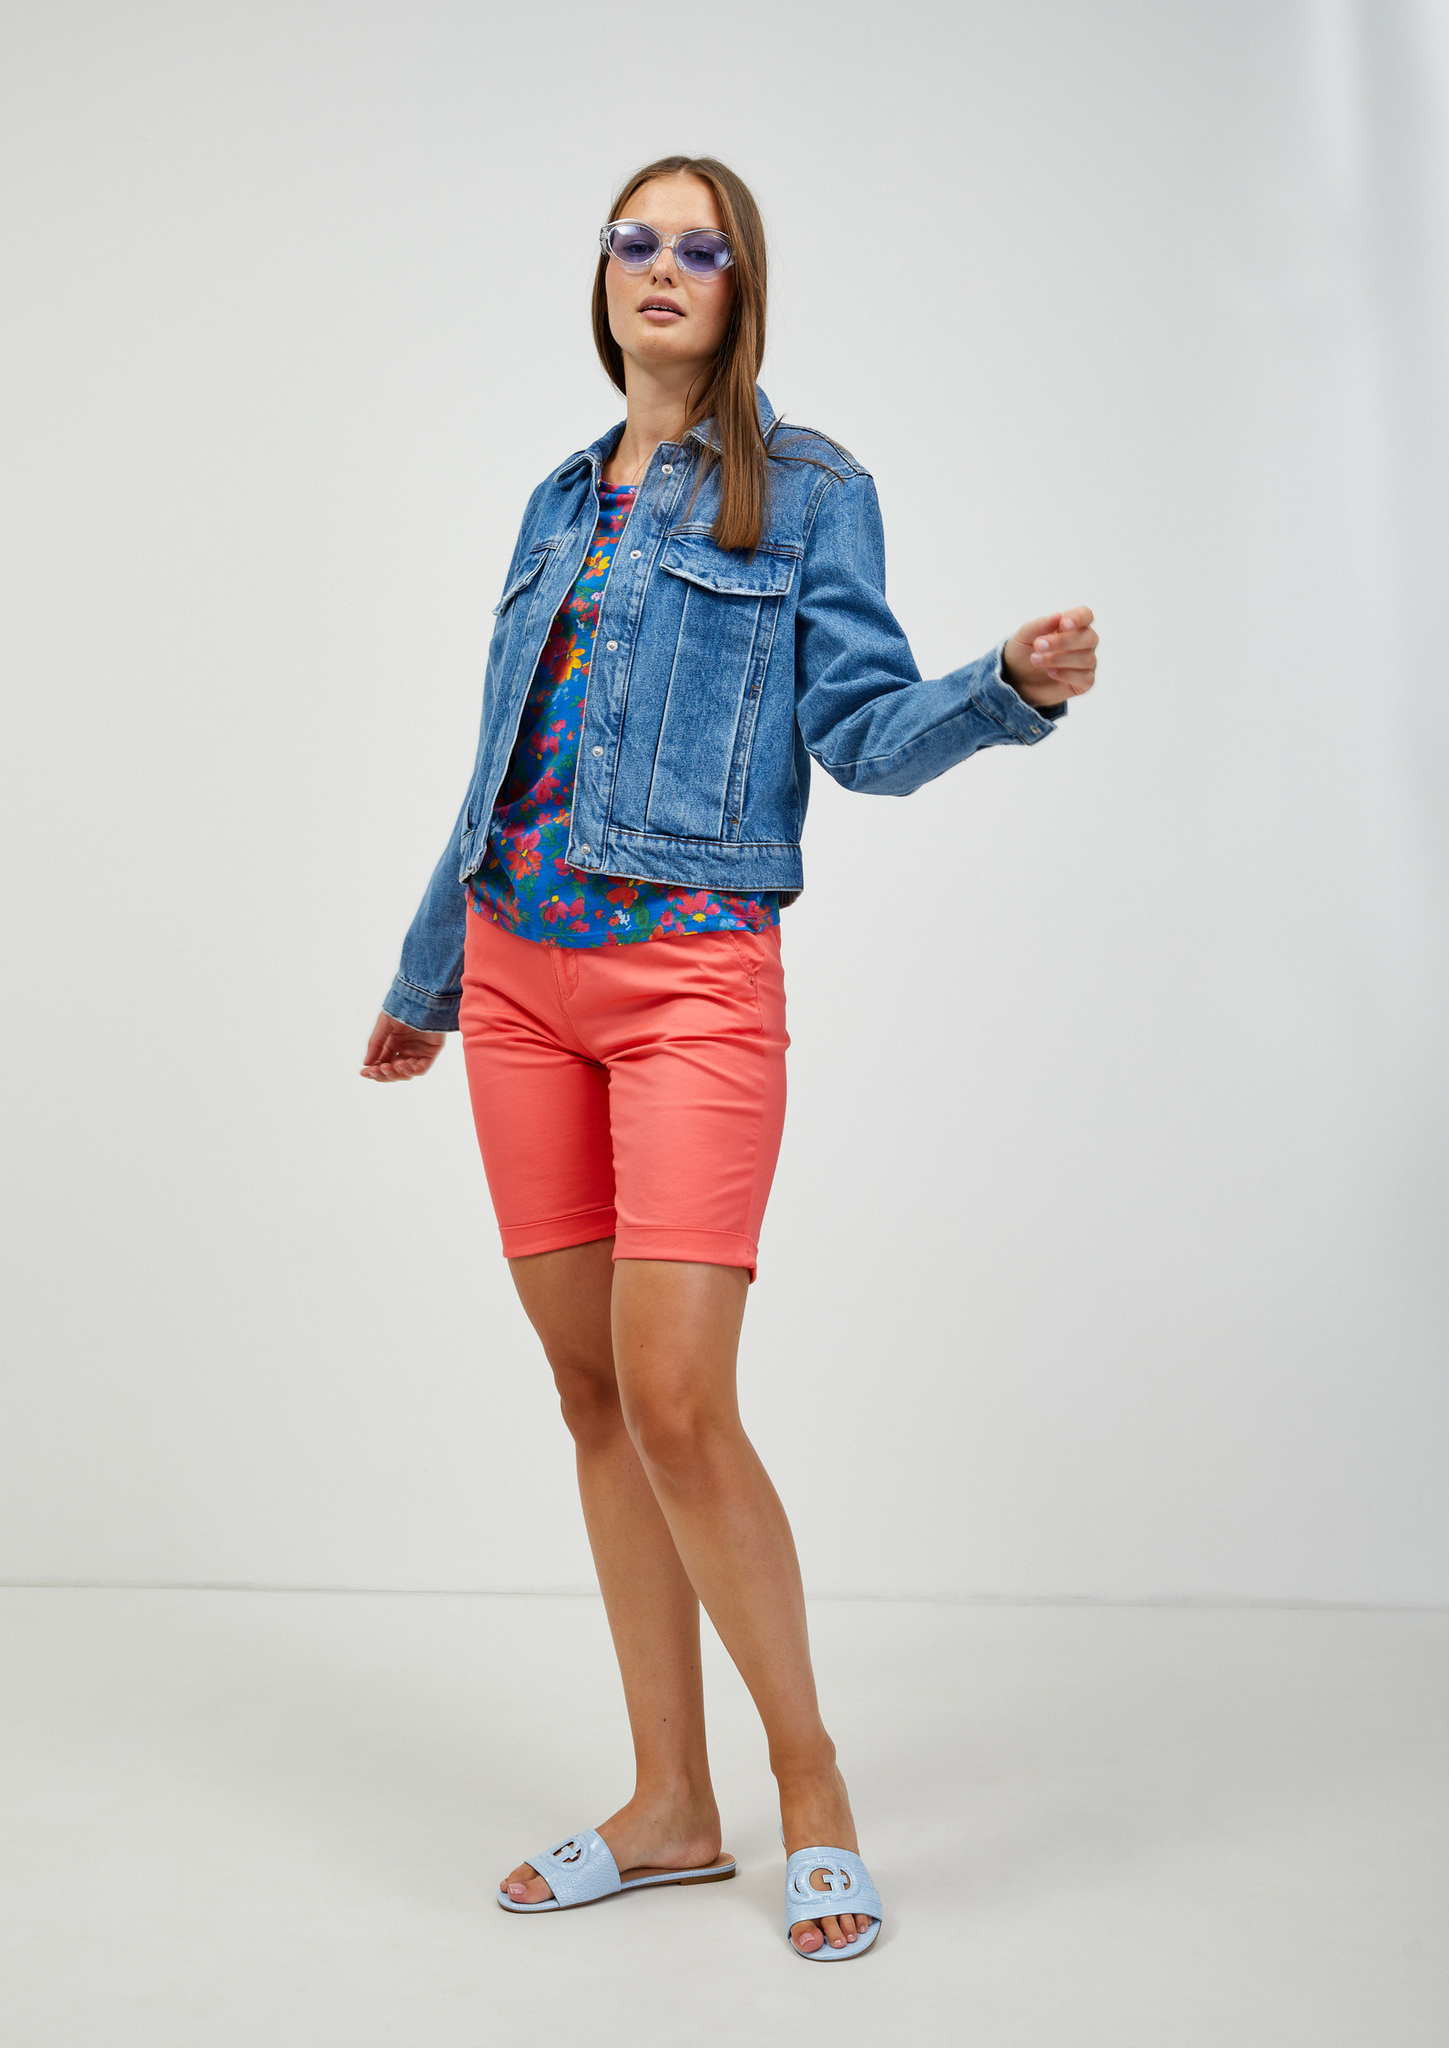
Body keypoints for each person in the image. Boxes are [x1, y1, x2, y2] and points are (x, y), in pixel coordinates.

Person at [360, 154, 1098, 1960]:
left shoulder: (810, 488)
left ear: (741, 285)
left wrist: (1005, 688)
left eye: (700, 247)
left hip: (690, 983)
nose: (663, 267)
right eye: (637, 240)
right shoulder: (556, 497)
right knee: (593, 1395)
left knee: (678, 1395)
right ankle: (672, 1806)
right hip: (516, 983)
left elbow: (862, 730)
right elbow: (500, 759)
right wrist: (429, 972)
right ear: (603, 275)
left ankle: (811, 1783)